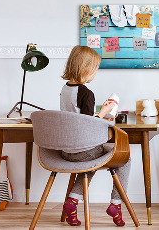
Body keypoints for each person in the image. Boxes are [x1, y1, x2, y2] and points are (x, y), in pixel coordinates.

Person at [60, 45, 130, 227]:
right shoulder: (86, 93)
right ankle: (116, 204)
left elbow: (77, 118)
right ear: (86, 69)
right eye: (95, 69)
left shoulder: (65, 89)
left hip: (66, 150)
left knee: (91, 161)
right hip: (83, 150)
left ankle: (72, 202)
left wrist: (99, 114)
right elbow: (87, 125)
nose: (96, 73)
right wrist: (104, 113)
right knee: (125, 158)